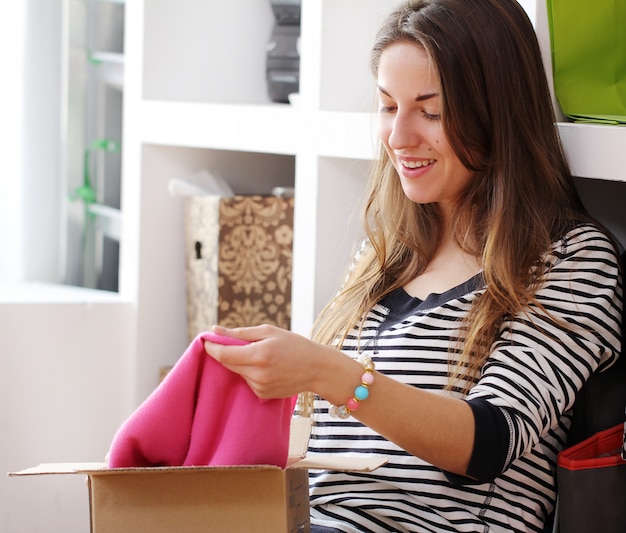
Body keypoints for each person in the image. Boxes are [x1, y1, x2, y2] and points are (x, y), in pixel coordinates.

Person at [204, 0, 623, 531]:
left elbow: (491, 439)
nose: (399, 137)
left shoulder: (570, 258)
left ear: (497, 113)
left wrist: (327, 373)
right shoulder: (385, 254)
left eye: (431, 112)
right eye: (387, 106)